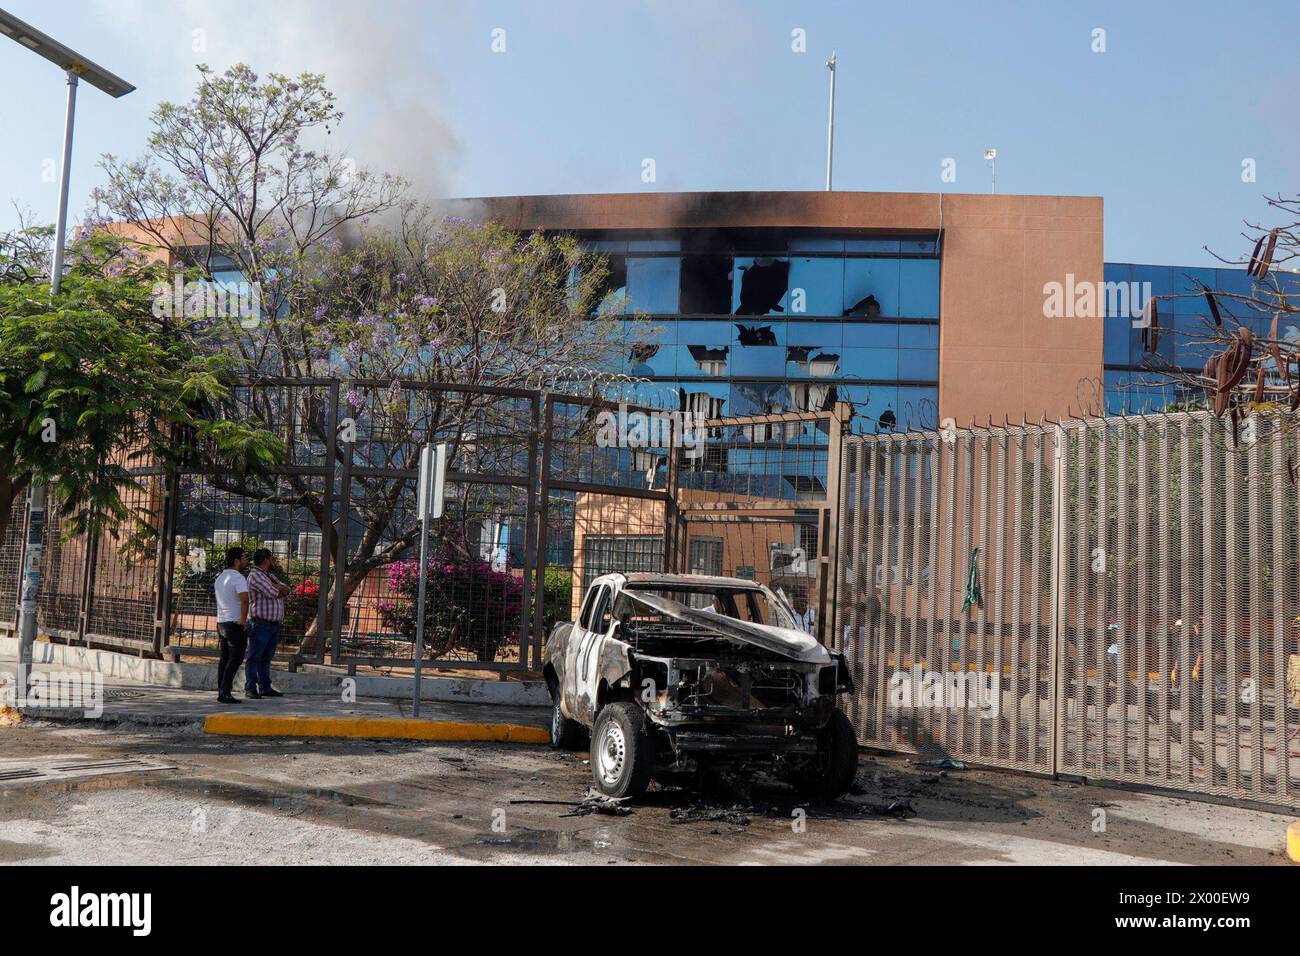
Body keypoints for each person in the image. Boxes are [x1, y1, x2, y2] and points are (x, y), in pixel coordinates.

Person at [244, 548, 291, 699]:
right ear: (266, 560)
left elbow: (287, 589)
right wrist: (278, 588)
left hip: (273, 624)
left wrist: (279, 587)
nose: (273, 562)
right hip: (260, 624)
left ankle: (265, 687)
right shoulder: (255, 576)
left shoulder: (269, 575)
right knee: (254, 656)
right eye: (271, 559)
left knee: (266, 657)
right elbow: (273, 593)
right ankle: (250, 688)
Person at [213, 547, 249, 705]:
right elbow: (245, 599)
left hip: (221, 622)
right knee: (236, 658)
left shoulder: (220, 577)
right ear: (237, 560)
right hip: (234, 623)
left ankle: (222, 690)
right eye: (244, 557)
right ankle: (225, 692)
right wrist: (243, 619)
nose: (246, 560)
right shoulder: (238, 578)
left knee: (225, 658)